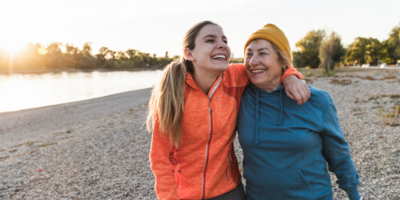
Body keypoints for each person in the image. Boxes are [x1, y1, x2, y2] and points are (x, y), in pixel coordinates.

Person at [147, 21, 310, 200]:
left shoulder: (236, 77)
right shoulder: (172, 93)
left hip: (229, 191)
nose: (222, 45)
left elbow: (272, 66)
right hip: (185, 194)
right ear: (189, 53)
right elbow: (160, 159)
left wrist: (290, 77)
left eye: (224, 41)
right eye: (210, 40)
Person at [237, 24, 362, 200]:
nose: (252, 61)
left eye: (262, 53)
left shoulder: (317, 101)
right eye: (248, 54)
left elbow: (339, 154)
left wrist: (354, 195)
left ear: (282, 60)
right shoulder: (239, 98)